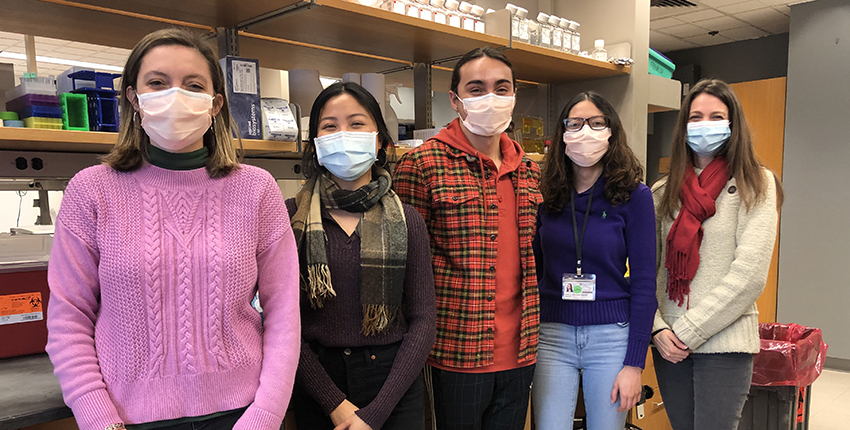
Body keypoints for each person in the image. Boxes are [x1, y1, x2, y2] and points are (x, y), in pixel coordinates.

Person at [45, 28, 300, 430]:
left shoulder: (256, 189)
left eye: (193, 85)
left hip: (242, 414)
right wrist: (97, 418)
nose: (175, 95)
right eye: (158, 83)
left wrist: (266, 415)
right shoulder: (91, 190)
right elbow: (68, 317)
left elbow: (284, 312)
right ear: (133, 97)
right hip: (126, 420)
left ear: (215, 104)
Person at [393, 47, 542, 430]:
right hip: (456, 350)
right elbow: (405, 267)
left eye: (500, 87)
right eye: (476, 89)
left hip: (522, 349)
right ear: (455, 100)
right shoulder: (422, 164)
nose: (489, 98)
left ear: (513, 95)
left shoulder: (528, 170)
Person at [287, 81, 436, 430]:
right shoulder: (288, 218)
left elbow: (423, 321)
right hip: (318, 383)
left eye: (356, 124)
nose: (343, 134)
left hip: (394, 386)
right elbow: (282, 324)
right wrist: (335, 406)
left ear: (381, 141)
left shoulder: (408, 220)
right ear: (315, 145)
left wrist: (375, 413)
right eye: (329, 126)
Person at [651, 79, 783, 430]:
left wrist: (688, 331)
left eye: (715, 116)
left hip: (724, 344)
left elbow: (750, 275)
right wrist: (657, 329)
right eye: (695, 117)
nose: (704, 124)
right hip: (669, 345)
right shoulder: (662, 192)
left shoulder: (756, 183)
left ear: (732, 124)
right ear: (683, 126)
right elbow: (649, 273)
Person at [531, 92, 657, 430]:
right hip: (552, 334)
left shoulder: (635, 196)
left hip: (611, 337)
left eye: (596, 123)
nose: (585, 131)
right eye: (575, 123)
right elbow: (536, 268)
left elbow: (645, 284)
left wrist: (634, 364)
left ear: (611, 131)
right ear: (562, 134)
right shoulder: (545, 195)